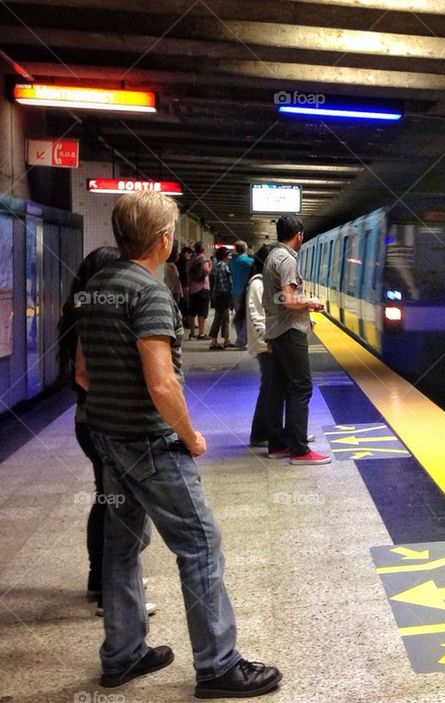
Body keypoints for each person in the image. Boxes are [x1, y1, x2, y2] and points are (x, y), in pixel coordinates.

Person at [75, 191, 282, 698]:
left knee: (122, 546)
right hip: (151, 443)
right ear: (163, 239)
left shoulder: (96, 287)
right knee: (200, 544)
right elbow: (162, 384)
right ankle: (218, 666)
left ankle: (123, 654)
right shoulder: (150, 293)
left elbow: (82, 372)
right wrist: (189, 436)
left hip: (107, 438)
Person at [59, 246, 159, 619]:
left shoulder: (77, 311)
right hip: (102, 420)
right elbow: (84, 375)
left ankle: (99, 581)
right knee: (118, 506)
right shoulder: (91, 315)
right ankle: (111, 592)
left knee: (106, 499)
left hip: (88, 419)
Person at [262, 215, 330, 465]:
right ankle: (300, 450)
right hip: (290, 331)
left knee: (278, 388)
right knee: (301, 387)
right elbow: (289, 300)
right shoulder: (287, 260)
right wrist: (311, 302)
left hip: (276, 331)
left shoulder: (272, 257)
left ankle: (278, 444)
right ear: (299, 235)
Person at [245, 244, 277, 448]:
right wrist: (269, 339)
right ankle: (259, 434)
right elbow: (257, 315)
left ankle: (269, 431)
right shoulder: (258, 284)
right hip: (266, 344)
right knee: (269, 387)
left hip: (268, 341)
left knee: (271, 387)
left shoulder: (263, 282)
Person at [207, 247, 233, 350]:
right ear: (224, 256)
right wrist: (229, 295)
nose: (231, 257)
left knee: (225, 317)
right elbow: (223, 285)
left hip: (220, 295)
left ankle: (226, 340)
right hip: (222, 295)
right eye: (229, 255)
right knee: (219, 318)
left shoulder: (219, 266)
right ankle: (213, 341)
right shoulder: (222, 267)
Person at [229, 241, 253, 347]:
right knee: (247, 316)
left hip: (235, 291)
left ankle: (240, 338)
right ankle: (243, 339)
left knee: (238, 315)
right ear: (245, 249)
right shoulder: (250, 261)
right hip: (247, 291)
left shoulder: (231, 262)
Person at [187, 241, 211, 340]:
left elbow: (187, 272)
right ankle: (201, 334)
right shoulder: (203, 259)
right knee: (202, 313)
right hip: (202, 288)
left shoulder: (191, 259)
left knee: (192, 312)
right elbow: (206, 271)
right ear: (203, 249)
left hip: (192, 289)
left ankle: (192, 333)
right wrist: (210, 266)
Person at [176, 246, 194, 338]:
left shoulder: (178, 260)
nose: (190, 257)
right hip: (184, 285)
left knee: (182, 304)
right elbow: (185, 274)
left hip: (180, 285)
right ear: (186, 253)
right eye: (190, 255)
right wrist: (186, 286)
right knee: (185, 305)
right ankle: (187, 322)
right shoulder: (183, 261)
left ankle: (185, 321)